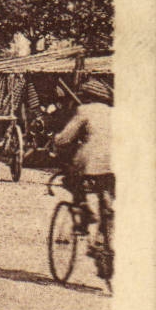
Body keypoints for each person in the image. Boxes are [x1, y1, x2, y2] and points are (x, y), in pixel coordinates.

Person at [52, 80, 114, 255]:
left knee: (71, 178)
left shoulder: (84, 111)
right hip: (116, 163)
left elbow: (65, 137)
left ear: (87, 97)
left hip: (91, 162)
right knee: (107, 200)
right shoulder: (115, 113)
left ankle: (84, 208)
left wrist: (56, 140)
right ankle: (102, 241)